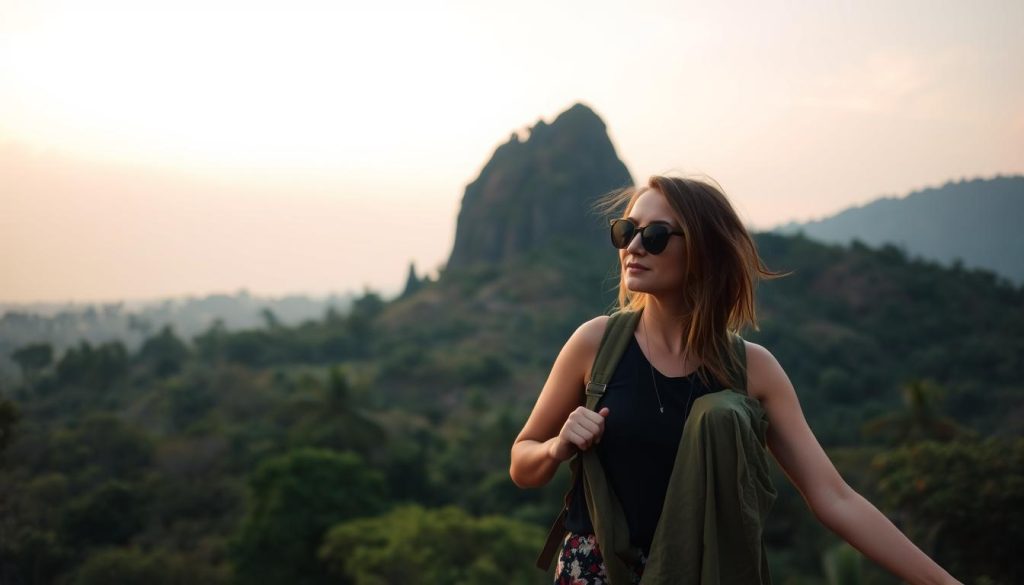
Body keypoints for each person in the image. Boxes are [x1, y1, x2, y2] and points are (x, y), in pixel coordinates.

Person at [509, 175, 963, 584]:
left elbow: (834, 498)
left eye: (656, 235)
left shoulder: (753, 369)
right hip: (597, 571)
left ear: (704, 250)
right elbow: (521, 462)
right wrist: (556, 446)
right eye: (626, 231)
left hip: (703, 573)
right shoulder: (596, 343)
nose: (634, 246)